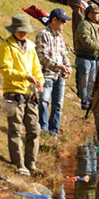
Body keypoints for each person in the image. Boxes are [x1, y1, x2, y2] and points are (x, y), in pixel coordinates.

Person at [0, 13, 44, 176]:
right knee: (15, 129)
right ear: (14, 30)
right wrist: (25, 76)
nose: (23, 33)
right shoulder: (6, 46)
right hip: (13, 92)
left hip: (30, 92)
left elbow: (37, 67)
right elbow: (6, 71)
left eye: (25, 30)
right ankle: (18, 163)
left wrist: (40, 82)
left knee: (34, 128)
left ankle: (31, 163)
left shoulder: (31, 46)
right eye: (20, 30)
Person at [35, 8, 71, 137]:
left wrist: (68, 68)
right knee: (44, 101)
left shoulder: (60, 37)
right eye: (62, 21)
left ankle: (54, 132)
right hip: (47, 75)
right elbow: (41, 57)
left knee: (58, 105)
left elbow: (65, 54)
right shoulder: (42, 34)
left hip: (60, 76)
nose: (64, 24)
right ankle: (43, 130)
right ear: (54, 20)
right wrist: (58, 66)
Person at [74, 2, 99, 111]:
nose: (98, 16)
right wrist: (98, 48)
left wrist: (98, 54)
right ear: (90, 14)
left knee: (91, 81)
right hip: (84, 58)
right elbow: (86, 41)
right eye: (96, 13)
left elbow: (94, 41)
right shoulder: (84, 24)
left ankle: (89, 100)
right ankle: (84, 102)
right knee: (84, 81)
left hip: (92, 58)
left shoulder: (91, 24)